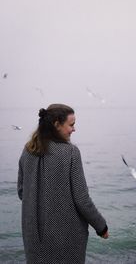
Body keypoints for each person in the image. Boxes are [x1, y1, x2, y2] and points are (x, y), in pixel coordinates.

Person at [17, 104, 109, 264]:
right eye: (71, 125)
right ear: (57, 125)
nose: (74, 129)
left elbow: (21, 192)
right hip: (66, 237)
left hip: (33, 235)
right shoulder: (71, 153)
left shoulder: (27, 150)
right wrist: (101, 227)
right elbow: (81, 199)